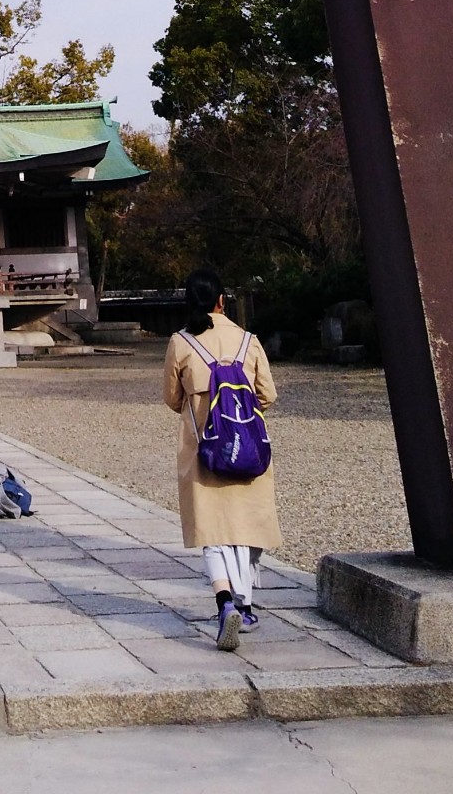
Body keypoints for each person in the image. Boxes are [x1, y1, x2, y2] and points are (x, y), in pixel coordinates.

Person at [164, 269, 280, 651]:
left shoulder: (181, 343)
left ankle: (224, 602)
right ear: (221, 301)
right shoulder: (248, 341)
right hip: (247, 447)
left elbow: (171, 398)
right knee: (245, 529)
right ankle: (245, 608)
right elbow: (268, 395)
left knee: (212, 534)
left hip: (206, 450)